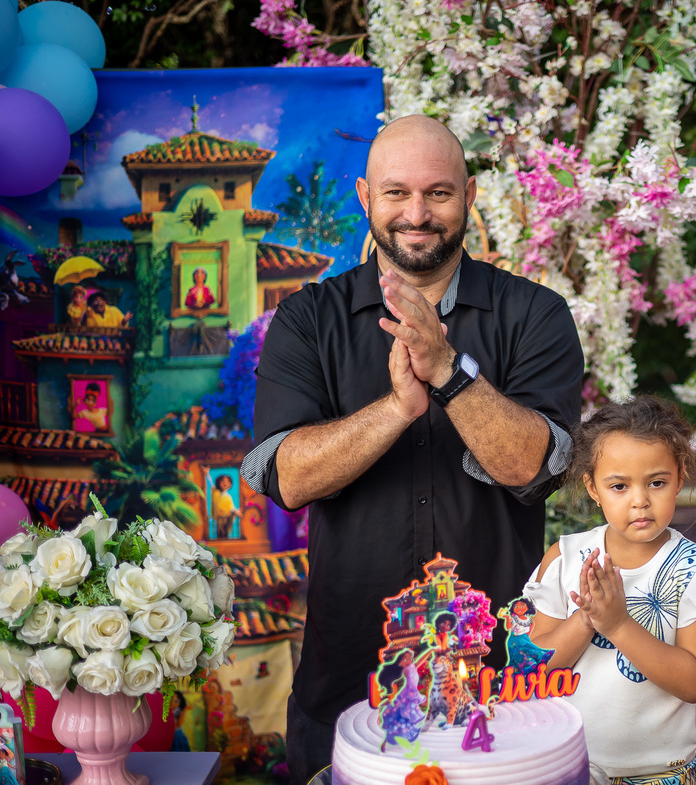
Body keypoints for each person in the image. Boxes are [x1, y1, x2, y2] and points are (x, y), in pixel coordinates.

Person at [241, 114, 584, 785]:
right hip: (350, 680)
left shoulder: (535, 315)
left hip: (499, 688)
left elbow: (533, 467)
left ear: (470, 196)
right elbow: (287, 476)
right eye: (397, 193)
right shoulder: (309, 319)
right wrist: (397, 410)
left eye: (439, 193)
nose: (417, 214)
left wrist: (450, 373)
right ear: (366, 196)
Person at [526, 395, 696, 785]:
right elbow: (533, 671)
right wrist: (586, 619)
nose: (640, 501)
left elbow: (695, 683)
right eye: (619, 486)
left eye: (657, 483)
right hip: (569, 767)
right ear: (593, 487)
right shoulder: (565, 558)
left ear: (679, 478)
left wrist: (618, 624)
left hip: (660, 773)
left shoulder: (695, 568)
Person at [497, 597, 553, 673]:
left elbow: (529, 631)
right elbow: (508, 627)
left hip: (524, 639)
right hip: (514, 640)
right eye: (516, 607)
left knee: (529, 651)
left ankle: (529, 667)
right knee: (517, 655)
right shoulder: (513, 618)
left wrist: (525, 639)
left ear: (528, 607)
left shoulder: (530, 620)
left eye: (522, 606)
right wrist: (507, 618)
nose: (519, 608)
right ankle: (528, 665)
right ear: (513, 609)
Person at [211, 473, 241, 539]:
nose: (225, 483)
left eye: (228, 481)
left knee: (225, 534)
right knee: (220, 533)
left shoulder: (228, 497)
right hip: (219, 519)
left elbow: (231, 508)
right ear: (218, 483)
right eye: (223, 481)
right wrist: (207, 474)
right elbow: (211, 484)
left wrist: (236, 512)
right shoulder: (216, 493)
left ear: (230, 484)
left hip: (226, 519)